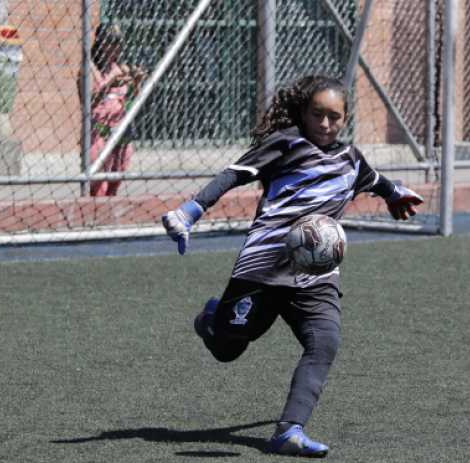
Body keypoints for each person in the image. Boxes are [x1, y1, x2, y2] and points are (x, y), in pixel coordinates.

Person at [162, 75, 423, 457]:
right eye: (317, 114)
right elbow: (234, 175)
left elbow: (375, 180)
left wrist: (394, 192)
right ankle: (211, 321)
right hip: (263, 269)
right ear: (303, 112)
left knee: (325, 341)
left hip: (316, 278)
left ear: (345, 119)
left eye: (334, 116)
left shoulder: (351, 159)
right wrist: (189, 211)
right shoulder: (286, 145)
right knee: (228, 348)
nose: (325, 124)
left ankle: (289, 431)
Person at [79, 23, 145, 197]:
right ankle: (94, 220)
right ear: (100, 43)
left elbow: (130, 100)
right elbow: (87, 102)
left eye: (117, 43)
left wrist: (136, 83)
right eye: (110, 42)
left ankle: (109, 219)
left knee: (117, 178)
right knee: (98, 183)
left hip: (120, 131)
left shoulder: (119, 68)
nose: (114, 48)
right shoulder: (89, 68)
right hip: (98, 132)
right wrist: (109, 83)